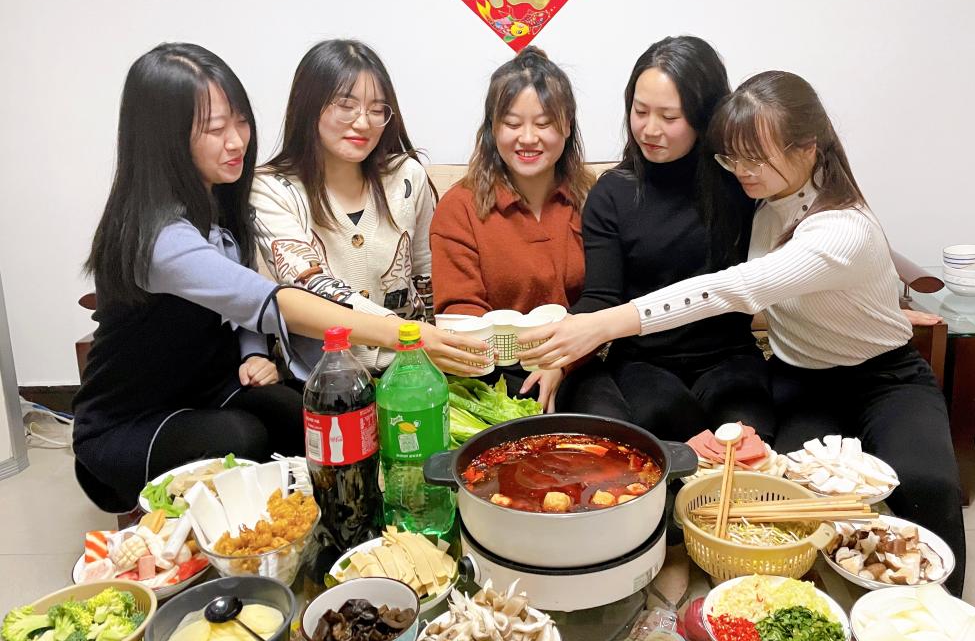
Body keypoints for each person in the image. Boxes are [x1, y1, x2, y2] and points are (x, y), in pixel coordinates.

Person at [520, 70, 966, 595]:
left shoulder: (841, 227)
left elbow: (730, 288)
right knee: (783, 491)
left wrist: (600, 325)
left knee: (928, 484)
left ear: (808, 146)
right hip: (801, 377)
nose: (741, 171)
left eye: (755, 158)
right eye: (733, 156)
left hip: (884, 376)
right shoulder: (762, 194)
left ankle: (945, 613)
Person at [74, 43, 488, 513]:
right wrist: (406, 335)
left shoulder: (223, 199)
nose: (236, 141)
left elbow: (238, 300)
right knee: (243, 438)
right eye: (214, 129)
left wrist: (252, 350)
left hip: (214, 392)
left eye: (241, 122)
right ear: (162, 138)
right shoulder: (160, 237)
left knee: (308, 423)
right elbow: (271, 299)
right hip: (132, 421)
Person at [555, 37, 772, 442]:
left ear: (705, 116)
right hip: (644, 362)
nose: (650, 129)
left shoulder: (742, 183)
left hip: (728, 358)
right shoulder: (613, 192)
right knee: (662, 422)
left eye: (669, 117)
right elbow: (601, 296)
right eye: (640, 112)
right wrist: (559, 352)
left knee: (747, 436)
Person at [252, 39, 436, 374]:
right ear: (309, 106)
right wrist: (406, 333)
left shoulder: (407, 177)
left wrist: (439, 352)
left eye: (376, 110)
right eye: (346, 105)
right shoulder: (271, 188)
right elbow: (311, 287)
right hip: (324, 379)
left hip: (412, 369)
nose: (363, 123)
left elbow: (426, 275)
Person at [430, 47, 594, 405]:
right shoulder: (460, 207)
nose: (528, 138)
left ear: (567, 125)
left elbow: (602, 299)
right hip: (492, 372)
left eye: (544, 123)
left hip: (579, 362)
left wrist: (561, 362)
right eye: (513, 123)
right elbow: (460, 314)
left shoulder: (591, 197)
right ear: (493, 127)